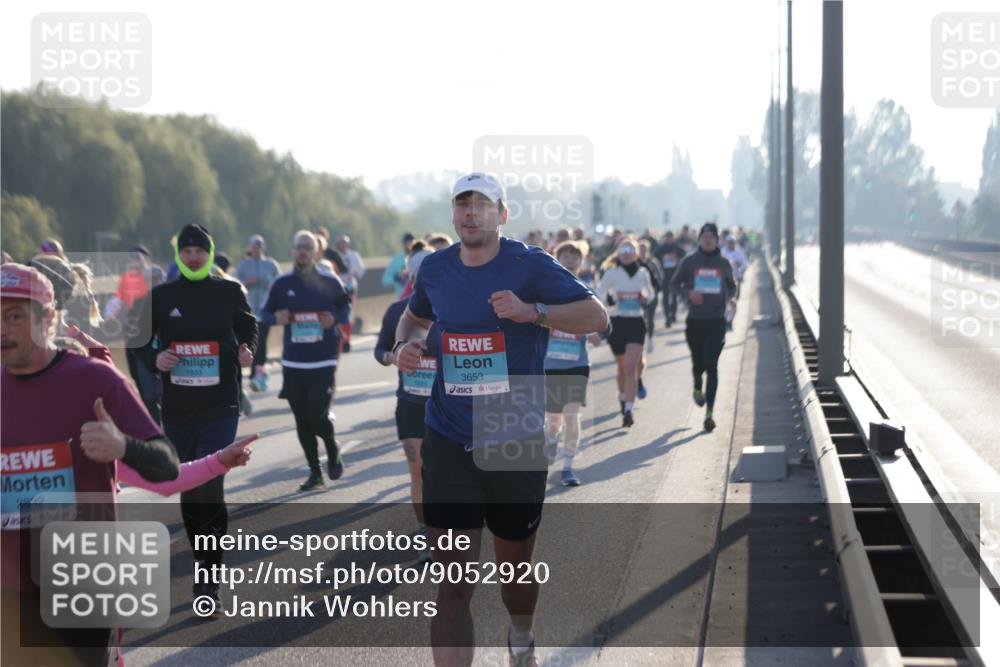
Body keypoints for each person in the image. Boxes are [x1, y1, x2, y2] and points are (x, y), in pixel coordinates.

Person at [393, 173, 608, 667]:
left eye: (482, 204)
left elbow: (596, 316)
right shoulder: (435, 268)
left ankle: (522, 635)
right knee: (452, 586)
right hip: (448, 436)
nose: (471, 212)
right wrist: (405, 344)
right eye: (462, 203)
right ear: (453, 214)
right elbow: (414, 318)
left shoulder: (530, 265)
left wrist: (533, 312)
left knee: (515, 576)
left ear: (503, 214)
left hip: (513, 433)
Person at [1, 263, 180, 666]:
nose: (2, 330)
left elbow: (167, 465)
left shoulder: (96, 380)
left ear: (48, 318)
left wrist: (123, 446)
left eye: (14, 317)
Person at [137, 224, 258, 608]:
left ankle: (209, 579)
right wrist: (155, 358)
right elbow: (137, 340)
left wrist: (247, 348)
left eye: (199, 251)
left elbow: (248, 324)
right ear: (179, 255)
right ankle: (201, 563)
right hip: (178, 408)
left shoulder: (229, 291)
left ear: (209, 253)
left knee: (209, 483)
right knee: (190, 488)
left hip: (220, 404)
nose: (193, 257)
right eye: (187, 251)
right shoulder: (162, 296)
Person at [263, 231, 351, 491]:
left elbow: (345, 308)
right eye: (299, 247)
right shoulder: (282, 284)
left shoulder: (330, 281)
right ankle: (315, 472)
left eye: (307, 247)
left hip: (322, 360)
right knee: (302, 420)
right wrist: (275, 318)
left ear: (316, 252)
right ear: (293, 251)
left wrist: (334, 319)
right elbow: (264, 313)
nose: (302, 251)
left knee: (316, 414)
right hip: (293, 362)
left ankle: (331, 446)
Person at [374, 248, 436, 561]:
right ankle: (428, 534)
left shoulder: (455, 309)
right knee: (419, 471)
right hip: (411, 404)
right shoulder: (398, 311)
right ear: (411, 278)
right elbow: (380, 350)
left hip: (450, 406)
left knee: (451, 474)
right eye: (417, 276)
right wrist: (394, 356)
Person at [543, 241, 610, 486]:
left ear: (581, 262)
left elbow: (606, 323)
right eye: (565, 256)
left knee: (572, 414)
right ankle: (552, 438)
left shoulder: (587, 291)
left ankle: (568, 467)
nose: (570, 260)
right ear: (556, 259)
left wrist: (599, 334)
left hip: (577, 363)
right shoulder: (545, 289)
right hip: (550, 364)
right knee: (554, 419)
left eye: (575, 256)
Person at [670, 223, 737, 432]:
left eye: (711, 237)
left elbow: (732, 285)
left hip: (716, 320)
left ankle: (709, 414)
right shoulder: (690, 261)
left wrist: (728, 297)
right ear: (699, 239)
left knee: (711, 364)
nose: (708, 240)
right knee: (698, 364)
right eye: (704, 237)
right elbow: (674, 284)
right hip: (695, 321)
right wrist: (688, 293)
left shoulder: (723, 263)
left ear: (717, 240)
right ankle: (697, 385)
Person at [596, 237, 653, 428]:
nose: (627, 254)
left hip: (636, 322)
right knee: (622, 368)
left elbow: (651, 293)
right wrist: (610, 300)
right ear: (618, 253)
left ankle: (628, 410)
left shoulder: (643, 273)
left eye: (630, 251)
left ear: (636, 254)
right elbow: (599, 293)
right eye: (623, 250)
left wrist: (645, 298)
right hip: (617, 323)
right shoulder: (611, 273)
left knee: (630, 367)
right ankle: (622, 396)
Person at [236, 235, 282, 392]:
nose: (256, 249)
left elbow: (279, 284)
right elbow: (235, 283)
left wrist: (267, 284)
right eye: (254, 246)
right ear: (250, 247)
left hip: (265, 310)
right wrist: (247, 282)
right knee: (250, 343)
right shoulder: (244, 264)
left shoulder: (271, 264)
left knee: (261, 344)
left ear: (263, 248)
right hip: (248, 311)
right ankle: (253, 374)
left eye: (259, 246)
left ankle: (258, 375)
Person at [637, 240, 664, 358]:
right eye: (640, 249)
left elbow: (660, 276)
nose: (642, 252)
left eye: (644, 249)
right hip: (638, 295)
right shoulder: (635, 263)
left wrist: (656, 289)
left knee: (650, 317)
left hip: (652, 293)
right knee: (641, 318)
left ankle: (650, 338)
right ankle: (641, 341)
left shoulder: (653, 262)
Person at [654, 231, 684, 328]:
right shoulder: (661, 248)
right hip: (664, 276)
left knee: (674, 296)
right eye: (667, 237)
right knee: (665, 297)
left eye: (671, 237)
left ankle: (673, 314)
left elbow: (685, 258)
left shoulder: (677, 248)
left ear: (673, 238)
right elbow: (655, 258)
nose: (669, 239)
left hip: (675, 276)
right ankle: (667, 317)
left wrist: (677, 259)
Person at [383, 233, 415, 299]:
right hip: (401, 299)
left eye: (411, 242)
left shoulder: (419, 257)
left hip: (417, 299)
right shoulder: (396, 260)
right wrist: (396, 278)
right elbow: (385, 280)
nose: (409, 245)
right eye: (407, 242)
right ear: (403, 244)